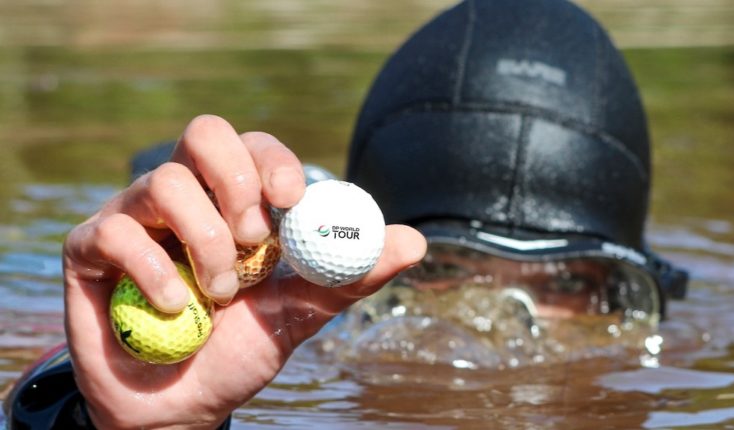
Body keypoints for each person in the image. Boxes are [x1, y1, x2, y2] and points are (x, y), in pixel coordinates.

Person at [3, 0, 687, 428]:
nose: (504, 331)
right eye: (444, 267)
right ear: (363, 269)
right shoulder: (281, 329)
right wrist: (113, 423)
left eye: (567, 284)